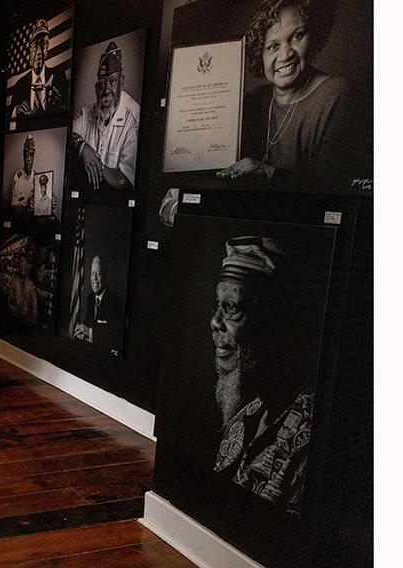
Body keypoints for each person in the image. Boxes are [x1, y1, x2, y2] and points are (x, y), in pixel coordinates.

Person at [209, 236, 311, 513]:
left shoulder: (307, 435)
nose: (215, 322)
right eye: (217, 306)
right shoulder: (246, 417)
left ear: (273, 321)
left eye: (232, 308)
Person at [215, 0, 356, 193]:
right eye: (273, 46)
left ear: (314, 35)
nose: (286, 54)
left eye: (297, 36)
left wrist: (268, 173)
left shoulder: (337, 94)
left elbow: (334, 191)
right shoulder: (252, 102)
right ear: (260, 54)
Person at [71, 41, 140, 191]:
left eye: (112, 81)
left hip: (117, 205)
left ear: (121, 81)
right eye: (102, 83)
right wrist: (83, 147)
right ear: (96, 88)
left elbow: (125, 181)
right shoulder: (87, 111)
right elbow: (69, 134)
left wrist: (97, 165)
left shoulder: (134, 118)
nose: (106, 90)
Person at [9, 19, 70, 120]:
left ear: (47, 48)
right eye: (35, 46)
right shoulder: (19, 85)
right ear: (29, 50)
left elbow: (64, 111)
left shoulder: (59, 76)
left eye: (43, 44)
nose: (39, 52)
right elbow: (10, 119)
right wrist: (17, 110)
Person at [73, 256, 124, 343]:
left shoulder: (114, 301)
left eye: (98, 274)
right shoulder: (91, 298)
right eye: (92, 273)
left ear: (105, 276)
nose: (95, 278)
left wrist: (88, 331)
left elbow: (114, 335)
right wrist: (82, 334)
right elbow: (88, 324)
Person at [10, 135, 36, 218]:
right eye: (26, 156)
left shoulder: (37, 177)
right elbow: (14, 209)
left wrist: (51, 202)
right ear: (23, 156)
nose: (28, 159)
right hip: (21, 219)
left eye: (31, 155)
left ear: (33, 157)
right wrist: (26, 208)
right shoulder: (17, 178)